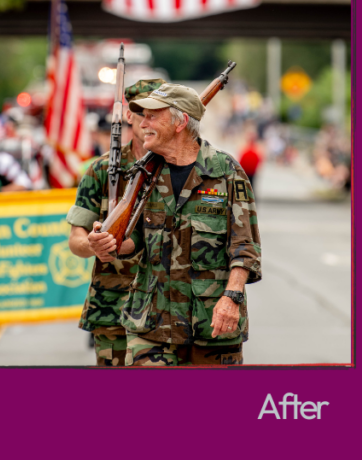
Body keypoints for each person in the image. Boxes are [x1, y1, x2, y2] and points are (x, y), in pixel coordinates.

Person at [89, 83, 262, 366]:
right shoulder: (144, 175)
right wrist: (109, 243)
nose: (142, 124)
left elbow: (246, 247)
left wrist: (232, 297)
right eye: (142, 116)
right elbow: (135, 241)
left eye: (152, 116)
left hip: (211, 327)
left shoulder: (226, 172)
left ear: (181, 122)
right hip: (151, 327)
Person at [66, 79, 162, 366]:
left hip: (167, 306)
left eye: (156, 113)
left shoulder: (181, 168)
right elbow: (76, 240)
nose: (148, 121)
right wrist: (94, 244)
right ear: (128, 116)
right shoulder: (101, 170)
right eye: (141, 112)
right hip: (113, 304)